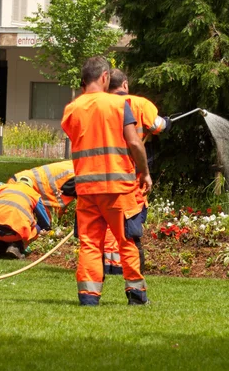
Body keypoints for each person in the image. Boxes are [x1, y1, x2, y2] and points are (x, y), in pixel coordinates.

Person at [61, 56, 152, 306]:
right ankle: (136, 297)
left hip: (87, 190)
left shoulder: (72, 109)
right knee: (127, 241)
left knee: (90, 244)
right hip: (118, 189)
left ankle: (89, 299)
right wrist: (144, 172)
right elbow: (134, 142)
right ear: (104, 77)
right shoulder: (117, 104)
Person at [102, 68, 172, 275]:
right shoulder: (141, 104)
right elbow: (158, 126)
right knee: (131, 218)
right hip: (133, 173)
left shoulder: (102, 106)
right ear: (125, 85)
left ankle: (107, 265)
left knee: (108, 219)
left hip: (106, 172)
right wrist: (168, 122)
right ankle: (125, 266)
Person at [0, 177, 51, 259]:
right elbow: (45, 223)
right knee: (37, 227)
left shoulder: (4, 188)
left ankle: (0, 246)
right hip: (15, 235)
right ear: (30, 186)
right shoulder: (34, 195)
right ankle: (17, 247)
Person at [8, 160, 76, 219]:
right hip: (22, 187)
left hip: (20, 184)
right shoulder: (78, 175)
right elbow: (84, 207)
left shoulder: (76, 166)